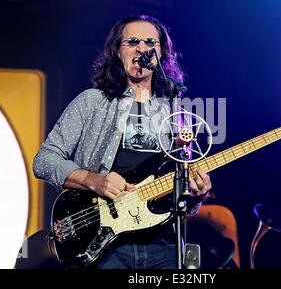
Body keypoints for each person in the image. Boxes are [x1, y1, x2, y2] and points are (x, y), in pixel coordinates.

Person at [33, 15, 212, 269]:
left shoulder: (175, 112)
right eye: (133, 41)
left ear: (161, 54)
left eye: (151, 42)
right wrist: (94, 180)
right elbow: (44, 161)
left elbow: (181, 188)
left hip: (163, 245)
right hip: (106, 243)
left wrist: (197, 195)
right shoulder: (91, 102)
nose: (142, 48)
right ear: (118, 52)